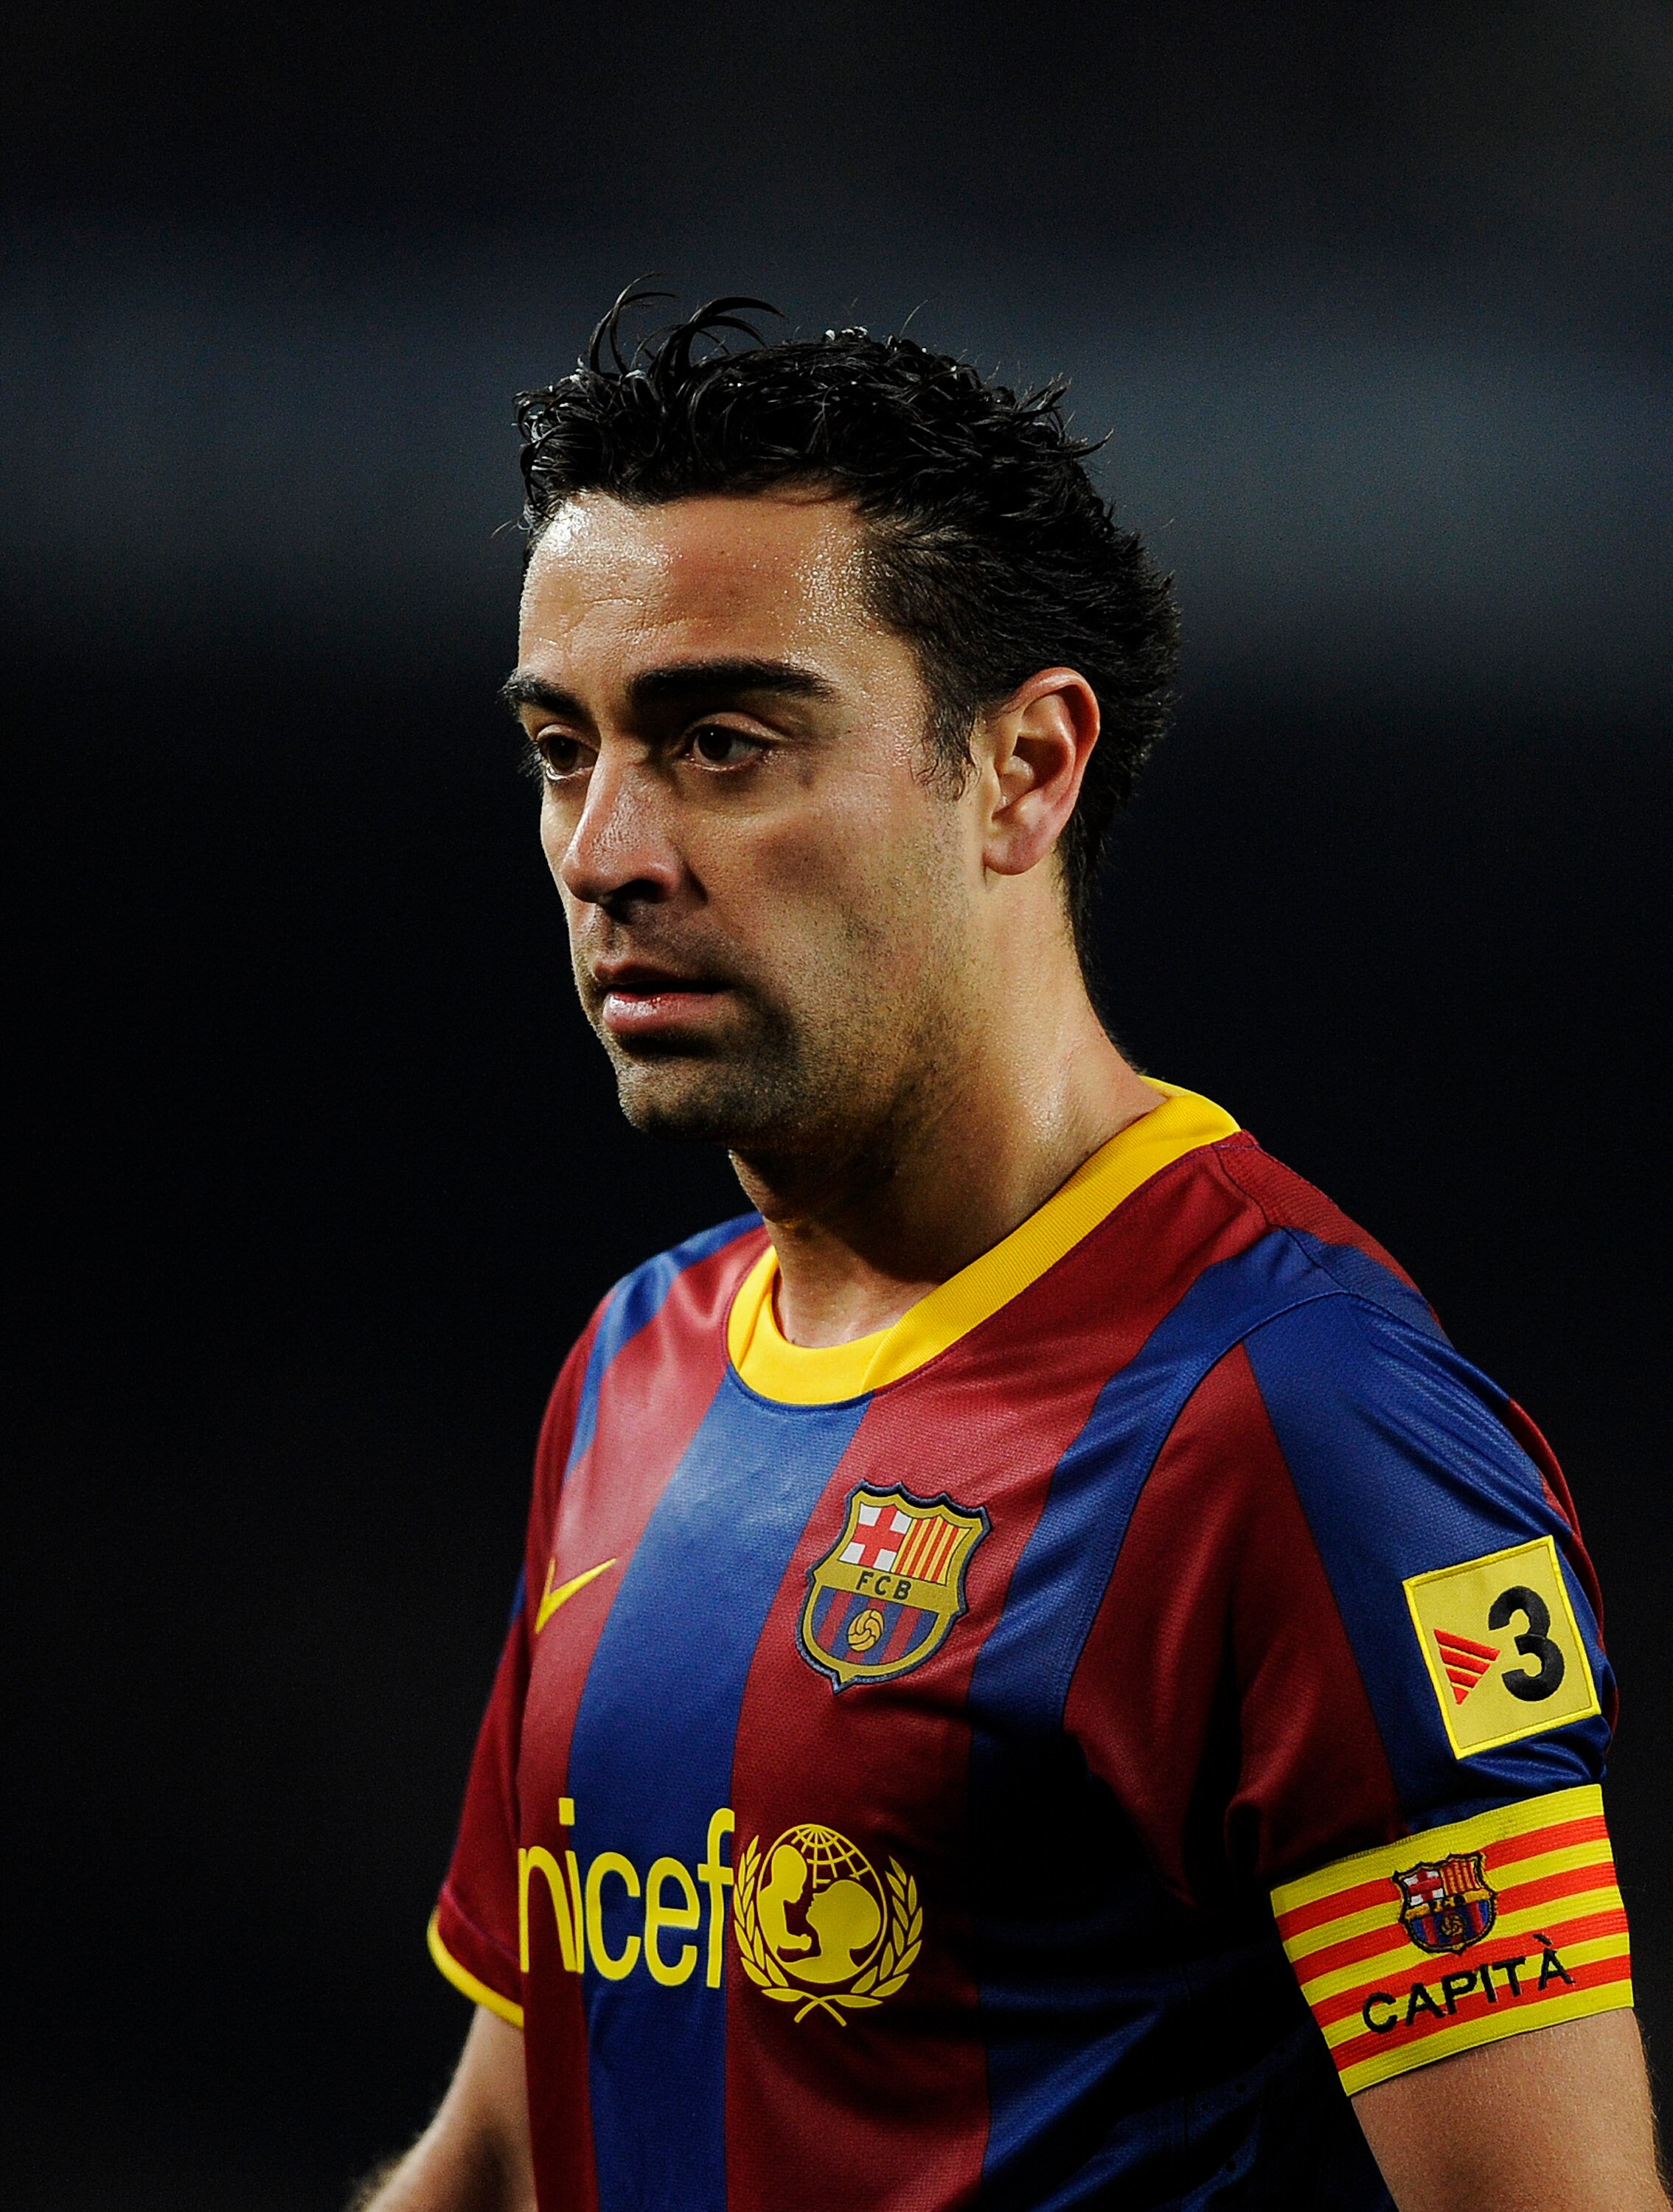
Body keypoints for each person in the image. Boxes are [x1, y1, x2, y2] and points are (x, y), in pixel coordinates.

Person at [356, 291, 1663, 2212]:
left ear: (1026, 769)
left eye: (723, 744)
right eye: (571, 750)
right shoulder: (642, 1365)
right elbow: (510, 2147)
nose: (610, 848)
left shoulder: (1301, 1429)